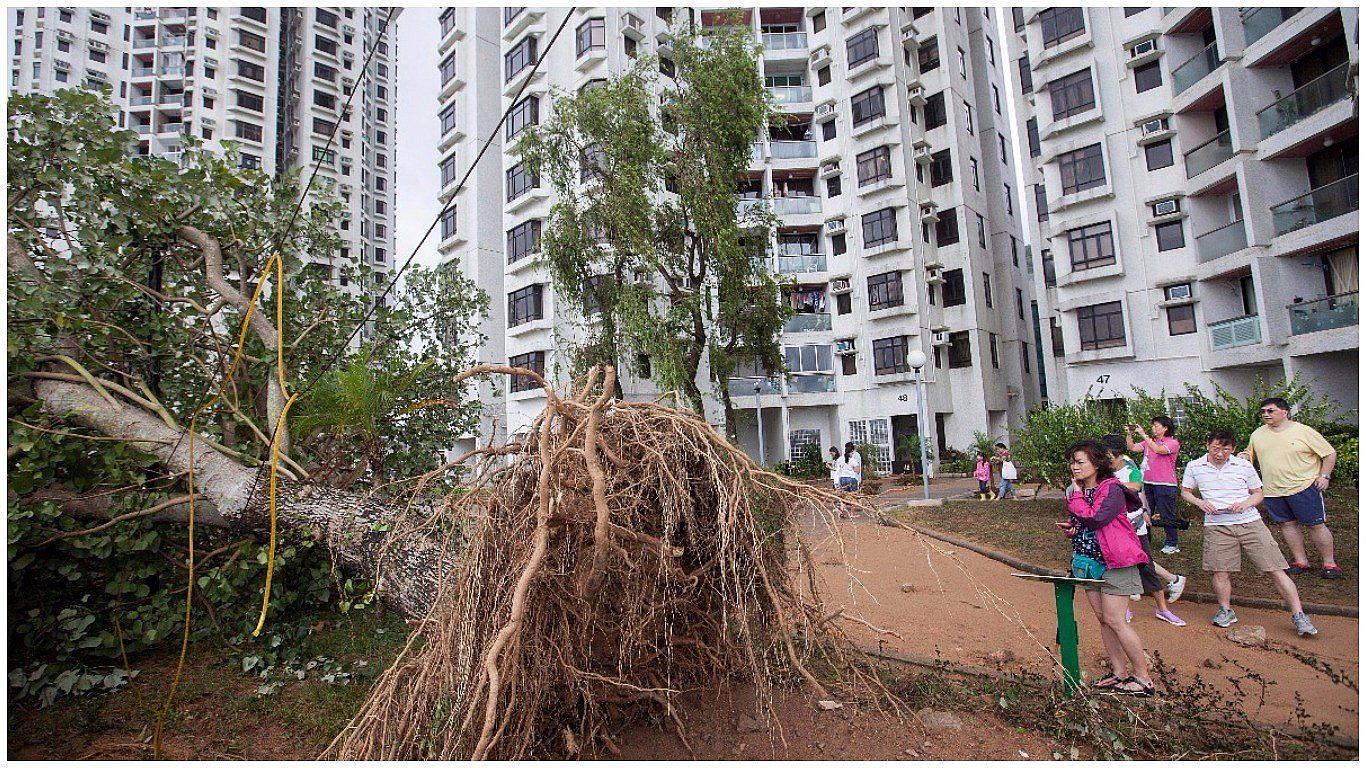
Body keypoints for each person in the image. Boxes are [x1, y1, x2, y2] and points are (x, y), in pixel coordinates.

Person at [1183, 430, 1319, 636]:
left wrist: (1245, 504)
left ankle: (1299, 615)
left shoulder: (1243, 465)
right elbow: (1185, 491)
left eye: (1226, 449)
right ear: (1207, 445)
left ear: (1234, 449)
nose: (1220, 453)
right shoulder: (1194, 466)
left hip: (1250, 523)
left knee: (1275, 568)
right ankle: (1225, 609)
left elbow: (1259, 493)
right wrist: (1200, 503)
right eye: (1216, 448)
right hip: (1217, 525)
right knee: (1220, 570)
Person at [1059, 440, 1154, 696]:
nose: (1074, 467)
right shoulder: (1078, 490)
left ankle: (1143, 678)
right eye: (1073, 462)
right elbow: (1084, 521)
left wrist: (1077, 498)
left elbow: (1097, 517)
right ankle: (1119, 672)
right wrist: (1074, 529)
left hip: (1115, 561)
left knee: (1116, 620)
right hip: (1087, 562)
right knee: (1104, 620)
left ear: (1097, 464)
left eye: (1080, 462)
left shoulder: (1111, 489)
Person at [1241, 397, 1341, 580]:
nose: (1265, 414)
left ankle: (1330, 563)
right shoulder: (1257, 434)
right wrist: (1244, 457)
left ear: (1284, 412)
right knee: (1287, 524)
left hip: (1304, 486)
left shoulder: (1303, 431)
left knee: (1315, 525)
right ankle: (1301, 561)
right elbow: (1250, 454)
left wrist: (1324, 475)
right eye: (1263, 411)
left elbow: (1329, 453)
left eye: (1270, 411)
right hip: (1273, 489)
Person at [1103, 434, 1186, 626]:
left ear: (1116, 455)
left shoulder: (1130, 470)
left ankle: (1163, 609)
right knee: (1117, 568)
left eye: (1107, 457)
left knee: (1146, 566)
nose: (1105, 461)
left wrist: (1114, 487)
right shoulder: (1103, 472)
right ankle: (1125, 609)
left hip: (1135, 527)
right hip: (1114, 530)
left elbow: (1136, 486)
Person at [1126, 416, 1184, 555]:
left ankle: (1172, 543)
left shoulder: (1172, 442)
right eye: (1153, 426)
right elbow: (1132, 447)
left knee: (1166, 514)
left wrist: (1144, 435)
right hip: (1147, 483)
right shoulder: (1149, 442)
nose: (1153, 428)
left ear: (1165, 428)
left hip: (1165, 484)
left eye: (1156, 426)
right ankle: (1146, 541)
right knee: (1145, 512)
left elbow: (1158, 450)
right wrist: (1129, 433)